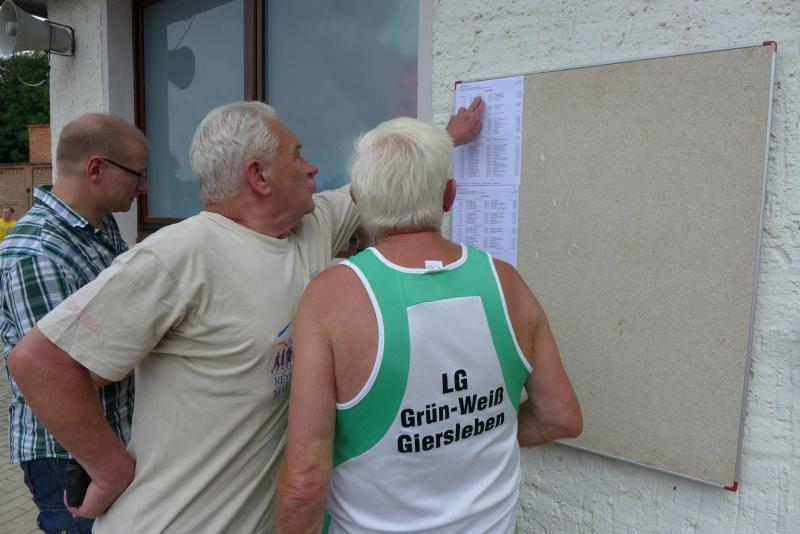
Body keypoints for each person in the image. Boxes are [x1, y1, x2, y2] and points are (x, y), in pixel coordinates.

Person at [8, 99, 484, 533]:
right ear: (259, 177)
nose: (313, 167)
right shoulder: (181, 254)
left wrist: (447, 138)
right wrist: (109, 469)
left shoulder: (311, 225)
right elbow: (39, 363)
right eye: (298, 155)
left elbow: (385, 180)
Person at [277, 117, 583, 533]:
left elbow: (303, 483)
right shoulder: (506, 283)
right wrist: (470, 438)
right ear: (449, 196)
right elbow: (560, 417)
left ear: (358, 199)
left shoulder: (332, 298)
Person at [0, 114, 146, 533]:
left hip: (107, 438)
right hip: (70, 455)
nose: (144, 186)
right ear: (97, 169)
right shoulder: (37, 252)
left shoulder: (100, 227)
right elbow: (64, 370)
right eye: (138, 174)